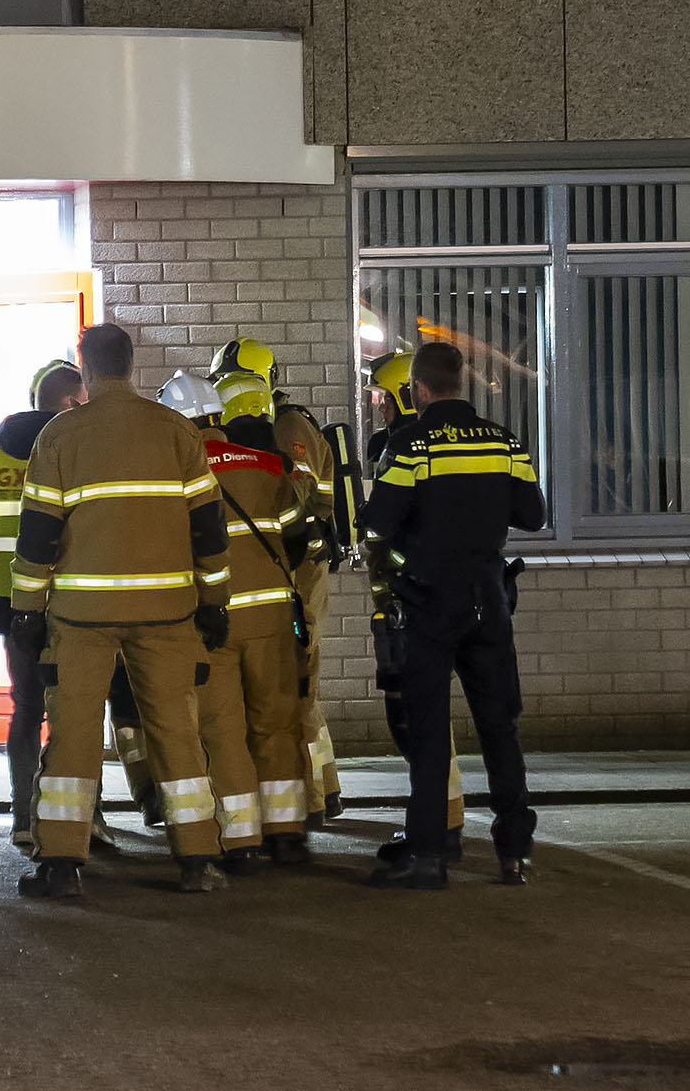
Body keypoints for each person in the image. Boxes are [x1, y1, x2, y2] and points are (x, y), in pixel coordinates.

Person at [12, 324, 231, 897]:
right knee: (177, 733)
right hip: (167, 613)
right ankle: (199, 859)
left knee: (74, 734)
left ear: (84, 369)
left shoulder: (60, 436)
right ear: (130, 365)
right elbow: (209, 530)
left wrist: (28, 612)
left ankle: (61, 864)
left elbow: (37, 538)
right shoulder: (177, 431)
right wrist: (215, 602)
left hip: (82, 617)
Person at [359, 342, 544, 888]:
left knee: (430, 733)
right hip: (489, 603)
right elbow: (533, 515)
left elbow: (378, 523)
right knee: (500, 730)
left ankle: (427, 857)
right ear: (460, 384)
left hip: (428, 604)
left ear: (418, 390)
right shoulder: (504, 441)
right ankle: (515, 853)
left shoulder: (411, 445)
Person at [183, 370, 319, 869]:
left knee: (223, 731)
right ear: (218, 416)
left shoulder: (181, 475)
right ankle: (286, 832)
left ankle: (241, 841)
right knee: (276, 723)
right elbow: (297, 536)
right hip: (273, 619)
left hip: (212, 621)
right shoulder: (266, 464)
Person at [209, 337, 341, 825]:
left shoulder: (287, 426)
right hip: (283, 568)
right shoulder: (264, 426)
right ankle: (320, 790)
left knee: (295, 683)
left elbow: (297, 497)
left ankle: (309, 800)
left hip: (300, 569)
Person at [0, 359, 84, 848]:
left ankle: (22, 816)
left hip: (10, 598)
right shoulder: (70, 443)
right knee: (73, 709)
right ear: (68, 402)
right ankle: (74, 819)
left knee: (25, 706)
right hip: (67, 597)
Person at [363, 351, 468, 865]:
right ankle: (443, 822)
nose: (378, 407)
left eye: (382, 397)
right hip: (430, 594)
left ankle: (436, 831)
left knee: (412, 717)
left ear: (410, 394)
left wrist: (392, 562)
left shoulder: (405, 446)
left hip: (408, 598)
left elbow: (392, 527)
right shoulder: (422, 442)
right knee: (423, 716)